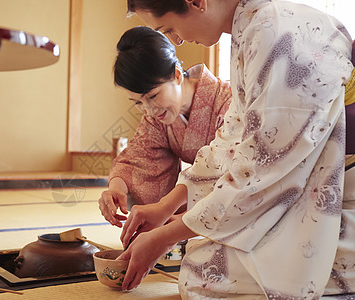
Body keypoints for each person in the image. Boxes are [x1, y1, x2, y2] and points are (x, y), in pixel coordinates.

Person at [118, 0, 355, 298]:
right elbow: (230, 140)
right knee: (201, 258)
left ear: (195, 1)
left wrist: (165, 237)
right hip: (300, 178)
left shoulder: (275, 33)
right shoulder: (253, 29)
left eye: (169, 28)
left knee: (205, 275)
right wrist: (165, 208)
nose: (176, 39)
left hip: (336, 187)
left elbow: (262, 168)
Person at [99, 26, 231, 228]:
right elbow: (138, 159)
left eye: (152, 96)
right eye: (138, 102)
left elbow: (233, 169)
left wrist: (184, 218)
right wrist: (117, 190)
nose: (149, 110)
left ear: (176, 75)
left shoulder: (227, 100)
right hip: (196, 204)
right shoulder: (158, 117)